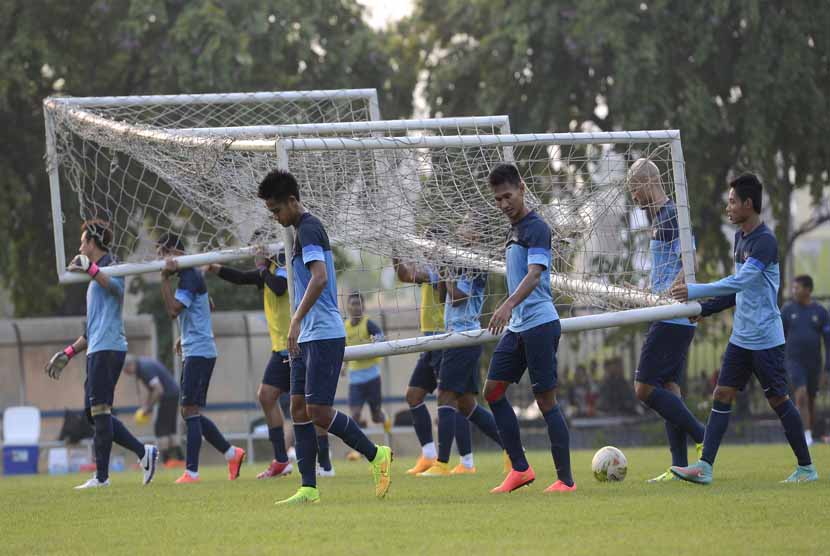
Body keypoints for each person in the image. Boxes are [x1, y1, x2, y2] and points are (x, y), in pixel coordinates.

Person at [671, 173, 817, 483]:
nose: (729, 208)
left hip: (766, 339)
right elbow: (739, 293)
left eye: (733, 202)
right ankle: (705, 467)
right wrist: (705, 309)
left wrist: (694, 291)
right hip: (741, 339)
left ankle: (806, 468)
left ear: (748, 204)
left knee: (779, 400)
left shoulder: (765, 241)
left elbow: (740, 281)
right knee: (722, 393)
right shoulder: (740, 238)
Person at [257, 168, 392, 505]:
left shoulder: (309, 229)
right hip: (307, 335)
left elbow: (318, 279)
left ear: (292, 201)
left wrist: (295, 320)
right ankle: (308, 488)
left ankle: (376, 455)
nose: (276, 218)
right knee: (298, 407)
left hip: (324, 334)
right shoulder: (299, 231)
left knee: (317, 410)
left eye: (277, 211)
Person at [45, 220, 158, 489]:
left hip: (110, 349)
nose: (80, 246)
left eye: (83, 242)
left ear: (93, 244)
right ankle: (144, 453)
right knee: (93, 413)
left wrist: (91, 268)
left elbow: (117, 289)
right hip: (96, 348)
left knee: (100, 410)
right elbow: (92, 328)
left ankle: (102, 477)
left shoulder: (113, 266)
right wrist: (68, 352)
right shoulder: (94, 278)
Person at [483, 163, 575, 493]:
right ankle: (520, 469)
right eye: (497, 200)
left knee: (545, 400)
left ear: (522, 188)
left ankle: (566, 481)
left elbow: (535, 273)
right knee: (492, 391)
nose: (503, 204)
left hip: (539, 324)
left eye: (507, 196)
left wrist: (508, 304)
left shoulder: (537, 228)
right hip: (519, 328)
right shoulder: (512, 230)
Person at [627, 158, 705, 482]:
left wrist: (681, 283)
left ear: (647, 183)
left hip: (672, 316)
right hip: (668, 313)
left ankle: (705, 436)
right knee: (670, 389)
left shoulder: (671, 215)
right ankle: (680, 466)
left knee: (644, 389)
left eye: (634, 190)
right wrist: (644, 290)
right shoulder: (660, 218)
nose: (634, 198)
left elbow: (690, 257)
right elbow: (668, 266)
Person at [417, 221, 505, 477]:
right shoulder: (458, 260)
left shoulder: (474, 262)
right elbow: (444, 293)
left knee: (445, 395)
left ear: (478, 232)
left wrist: (444, 268)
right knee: (466, 404)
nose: (461, 228)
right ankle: (512, 448)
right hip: (456, 335)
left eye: (468, 225)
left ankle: (441, 464)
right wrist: (441, 265)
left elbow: (460, 297)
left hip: (463, 336)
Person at [157, 233, 246, 484]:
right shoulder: (192, 274)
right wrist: (185, 334)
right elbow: (209, 305)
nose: (159, 259)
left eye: (161, 253)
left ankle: (192, 472)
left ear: (174, 252)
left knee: (189, 409)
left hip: (199, 351)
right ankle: (231, 453)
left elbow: (174, 310)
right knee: (189, 411)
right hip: (195, 348)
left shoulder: (189, 275)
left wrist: (163, 280)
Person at [206, 248, 295, 479]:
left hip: (298, 346)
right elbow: (242, 277)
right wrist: (216, 269)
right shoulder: (268, 271)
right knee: (266, 396)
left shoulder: (285, 266)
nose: (255, 253)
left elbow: (279, 287)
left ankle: (323, 462)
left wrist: (263, 269)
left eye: (258, 248)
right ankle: (281, 460)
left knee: (308, 406)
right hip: (281, 349)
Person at [391, 255, 478, 475]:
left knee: (455, 401)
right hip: (428, 341)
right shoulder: (432, 267)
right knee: (414, 395)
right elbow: (403, 274)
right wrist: (394, 252)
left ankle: (466, 461)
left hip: (443, 339)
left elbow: (410, 274)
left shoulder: (440, 269)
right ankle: (429, 455)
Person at [781, 274, 830, 446]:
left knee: (811, 399)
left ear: (808, 290)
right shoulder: (787, 311)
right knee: (800, 395)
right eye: (793, 288)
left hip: (814, 363)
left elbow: (828, 341)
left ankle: (810, 432)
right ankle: (806, 437)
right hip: (794, 361)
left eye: (797, 287)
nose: (794, 291)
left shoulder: (820, 312)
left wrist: (827, 369)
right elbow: (779, 336)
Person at [123, 355, 184, 467]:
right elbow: (152, 390)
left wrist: (149, 408)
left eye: (126, 370)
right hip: (173, 393)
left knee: (160, 427)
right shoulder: (142, 365)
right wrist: (146, 406)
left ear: (130, 365)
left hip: (168, 395)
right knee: (171, 427)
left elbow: (158, 390)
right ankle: (180, 459)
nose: (126, 373)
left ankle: (167, 460)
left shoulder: (144, 369)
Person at [343, 292, 391, 433]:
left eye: (359, 304)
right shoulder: (344, 327)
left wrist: (377, 339)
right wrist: (343, 367)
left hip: (372, 377)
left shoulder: (368, 324)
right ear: (348, 307)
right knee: (355, 415)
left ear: (363, 307)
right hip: (355, 379)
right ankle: (357, 448)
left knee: (376, 417)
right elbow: (345, 348)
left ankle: (385, 422)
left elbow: (381, 336)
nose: (356, 307)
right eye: (353, 304)